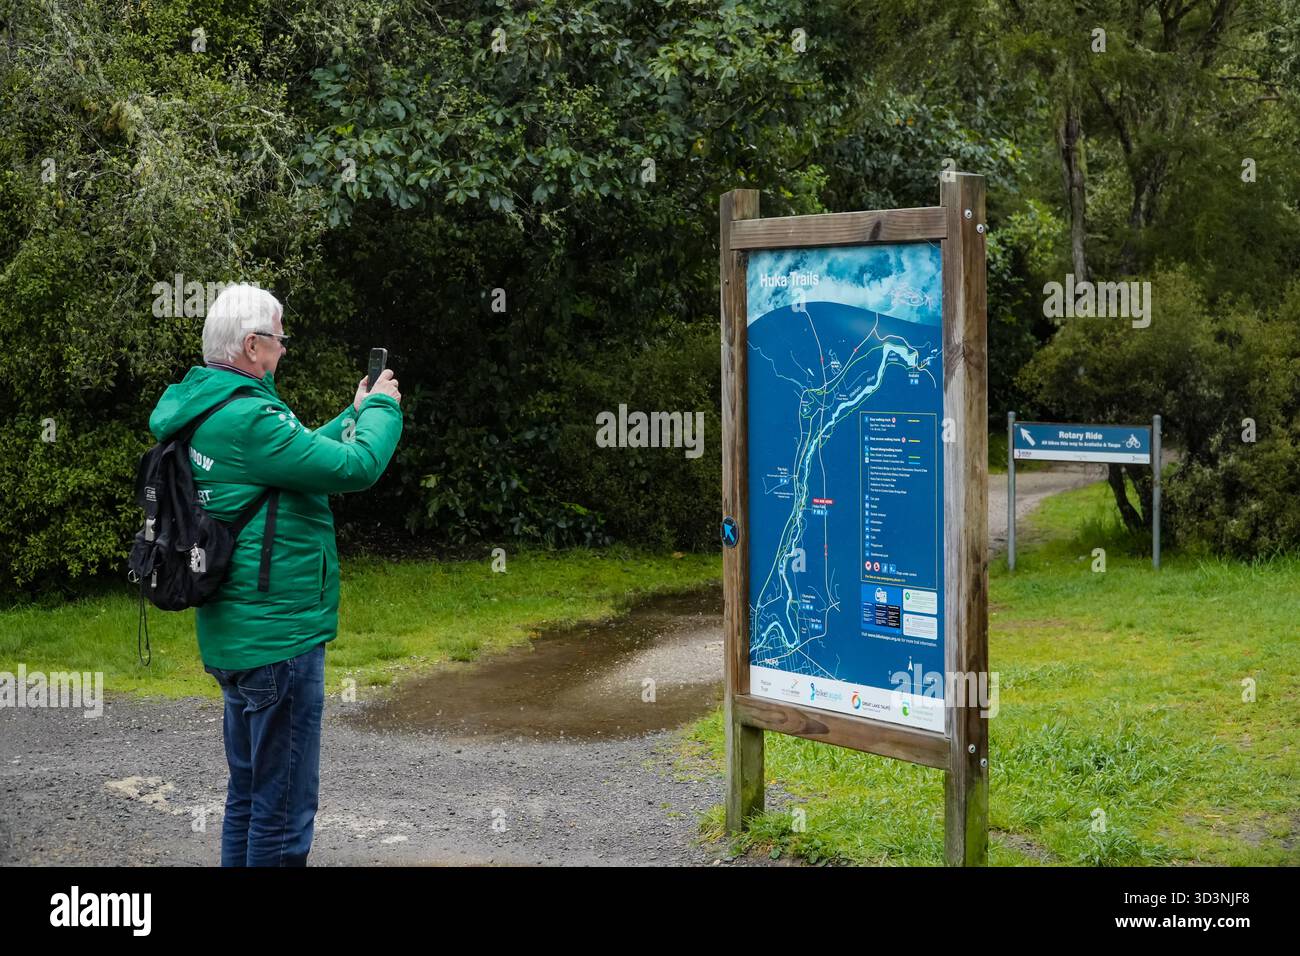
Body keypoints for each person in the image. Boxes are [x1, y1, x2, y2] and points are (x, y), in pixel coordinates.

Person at [146, 283, 402, 866]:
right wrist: (384, 409)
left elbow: (301, 454)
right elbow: (355, 466)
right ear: (254, 344)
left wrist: (355, 413)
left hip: (237, 635)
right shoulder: (251, 416)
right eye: (280, 340)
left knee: (249, 799)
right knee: (283, 812)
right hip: (278, 639)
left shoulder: (212, 408)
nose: (285, 350)